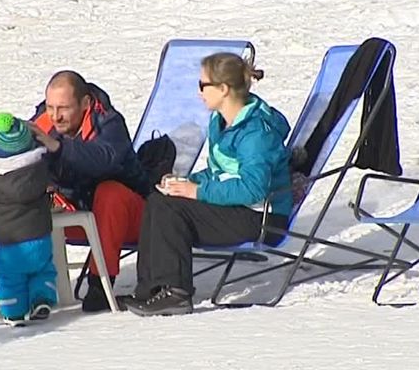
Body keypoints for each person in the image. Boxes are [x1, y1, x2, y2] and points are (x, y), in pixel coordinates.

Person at [124, 52, 294, 317]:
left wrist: (197, 192)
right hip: (240, 208)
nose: (199, 92)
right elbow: (220, 172)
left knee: (171, 209)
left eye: (203, 85)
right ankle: (151, 288)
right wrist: (187, 182)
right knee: (159, 199)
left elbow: (254, 188)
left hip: (262, 218)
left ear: (223, 89)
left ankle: (176, 293)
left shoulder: (255, 132)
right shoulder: (222, 121)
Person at [0, 70, 149, 313]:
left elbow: (104, 160)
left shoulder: (108, 122)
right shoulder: (45, 121)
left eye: (64, 108)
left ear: (85, 103)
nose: (56, 116)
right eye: (50, 107)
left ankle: (100, 287)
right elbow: (19, 152)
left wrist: (56, 146)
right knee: (18, 197)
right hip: (75, 213)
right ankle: (16, 285)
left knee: (110, 193)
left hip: (131, 217)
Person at [0, 112, 56, 326]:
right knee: (43, 271)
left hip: (11, 245)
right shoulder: (41, 170)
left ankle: (14, 312)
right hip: (42, 239)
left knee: (10, 279)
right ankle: (42, 298)